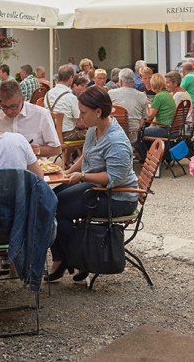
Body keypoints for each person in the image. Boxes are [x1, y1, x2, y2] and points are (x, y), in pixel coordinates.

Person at [49, 87, 138, 283]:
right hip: (98, 189)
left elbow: (114, 178)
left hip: (118, 197)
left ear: (98, 112)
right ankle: (69, 258)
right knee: (50, 199)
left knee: (56, 209)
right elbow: (86, 155)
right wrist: (69, 172)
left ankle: (74, 259)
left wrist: (82, 176)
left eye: (83, 113)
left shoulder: (116, 141)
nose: (80, 117)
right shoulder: (94, 129)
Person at [0, 80, 61, 158]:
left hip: (34, 165)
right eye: (4, 107)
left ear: (23, 99)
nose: (9, 112)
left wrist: (38, 150)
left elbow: (57, 149)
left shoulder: (41, 114)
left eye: (13, 106)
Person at [108, 68, 149, 138]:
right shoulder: (142, 95)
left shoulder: (110, 93)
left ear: (120, 81)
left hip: (114, 135)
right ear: (133, 81)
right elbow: (144, 118)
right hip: (133, 135)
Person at [46, 65, 83, 141]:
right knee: (92, 134)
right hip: (67, 135)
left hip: (51, 134)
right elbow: (79, 122)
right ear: (71, 78)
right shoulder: (70, 97)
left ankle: (66, 153)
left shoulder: (48, 94)